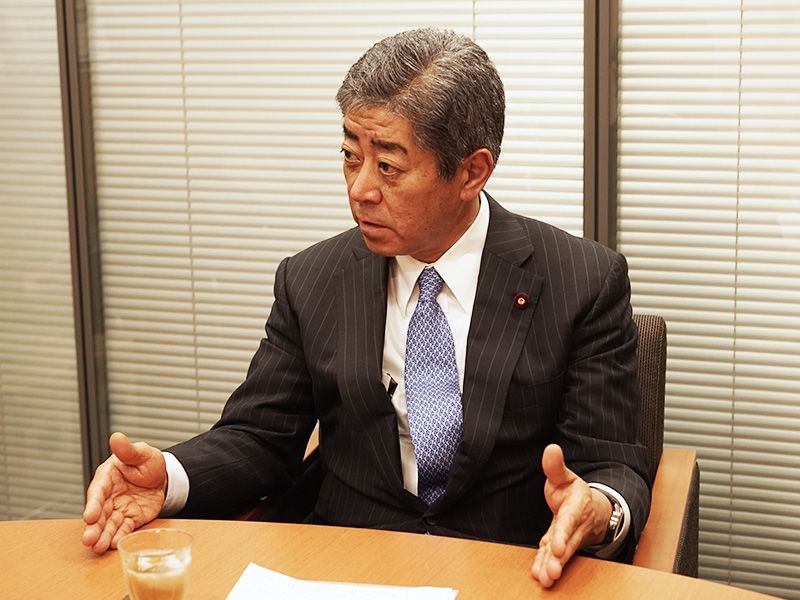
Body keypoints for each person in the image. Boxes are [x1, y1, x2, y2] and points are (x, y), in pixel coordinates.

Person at [82, 28, 651, 588]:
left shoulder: (582, 282)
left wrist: (600, 508)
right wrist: (168, 478)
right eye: (350, 157)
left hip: (508, 570)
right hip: (345, 567)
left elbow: (610, 463)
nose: (359, 189)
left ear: (472, 172)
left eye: (388, 167)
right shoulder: (312, 279)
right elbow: (261, 436)